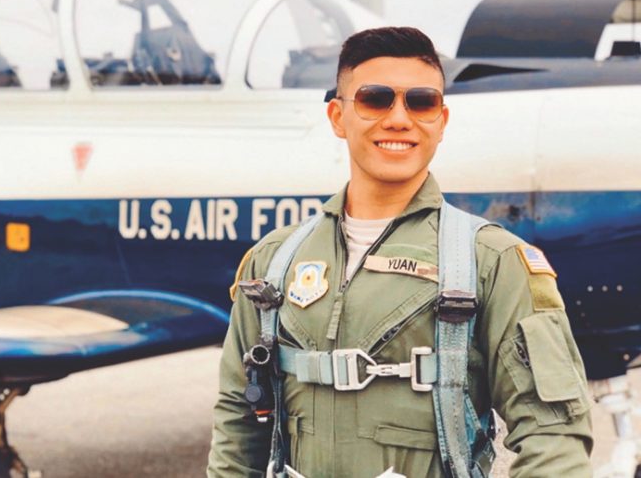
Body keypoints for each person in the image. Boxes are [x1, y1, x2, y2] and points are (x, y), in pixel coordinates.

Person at [207, 27, 593, 477]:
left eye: (421, 101)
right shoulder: (273, 263)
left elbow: (553, 437)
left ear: (441, 121)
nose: (399, 119)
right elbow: (238, 427)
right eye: (375, 99)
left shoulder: (491, 262)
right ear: (337, 116)